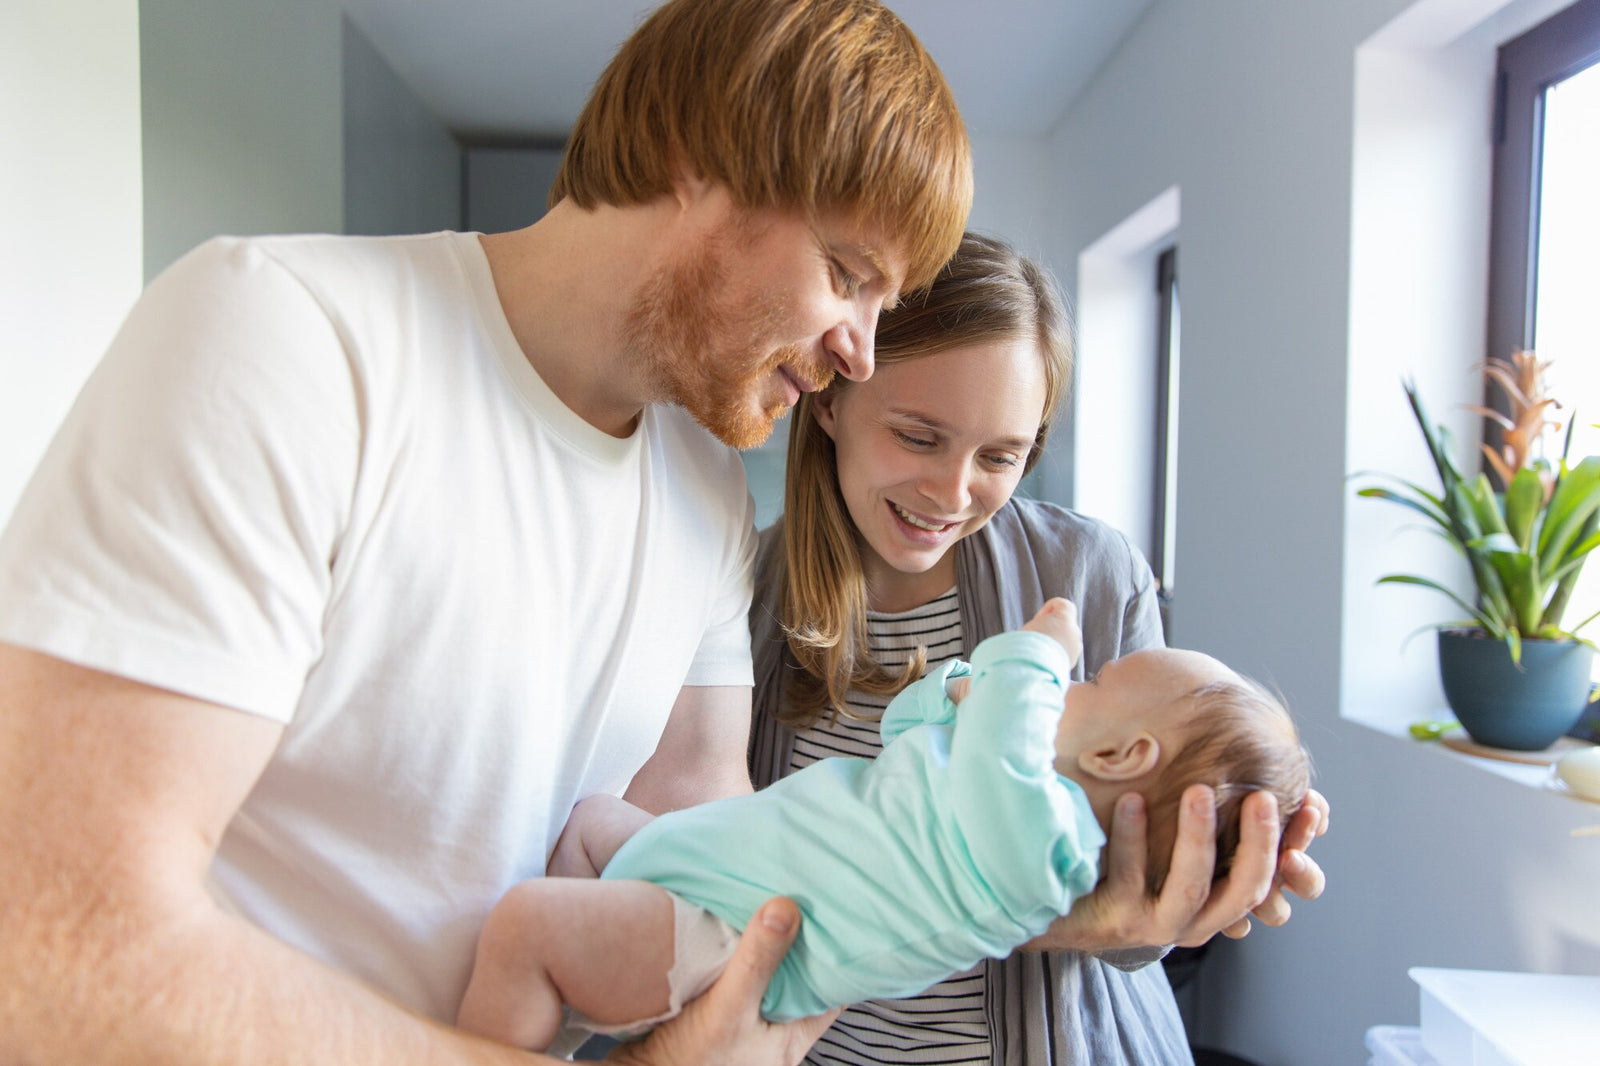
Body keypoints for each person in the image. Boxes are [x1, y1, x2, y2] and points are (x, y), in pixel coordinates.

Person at [0, 2, 972, 1064]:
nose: (862, 353)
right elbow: (56, 948)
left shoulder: (705, 490)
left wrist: (1003, 881)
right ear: (701, 158)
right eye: (848, 273)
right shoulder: (289, 338)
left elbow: (701, 832)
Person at [747, 231, 1331, 1064]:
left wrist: (1195, 883)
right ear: (833, 399)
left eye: (1000, 456)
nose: (952, 493)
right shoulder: (743, 594)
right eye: (918, 436)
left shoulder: (1093, 574)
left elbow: (1133, 937)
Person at [453, 597, 1312, 1053]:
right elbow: (905, 736)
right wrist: (957, 693)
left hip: (723, 941)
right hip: (693, 872)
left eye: (1091, 685)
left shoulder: (1041, 849)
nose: (1067, 683)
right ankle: (554, 1025)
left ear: (1122, 756)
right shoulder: (987, 788)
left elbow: (998, 762)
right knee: (593, 819)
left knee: (526, 926)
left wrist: (1034, 656)